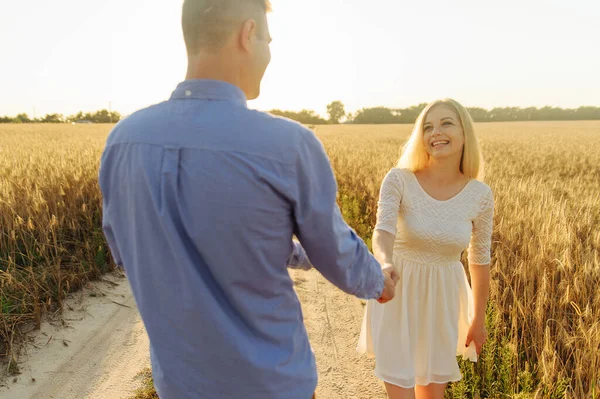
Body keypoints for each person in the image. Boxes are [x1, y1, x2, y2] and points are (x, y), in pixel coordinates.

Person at [98, 1, 398, 398]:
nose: (268, 54)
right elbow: (336, 253)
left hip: (179, 384)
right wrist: (380, 282)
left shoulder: (123, 141)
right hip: (271, 383)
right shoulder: (287, 144)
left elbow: (129, 249)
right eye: (268, 41)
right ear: (247, 33)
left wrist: (286, 251)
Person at [357, 99, 495, 399]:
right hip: (398, 294)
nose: (436, 132)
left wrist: (478, 319)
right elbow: (382, 232)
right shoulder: (400, 180)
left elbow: (479, 260)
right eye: (428, 127)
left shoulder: (480, 195)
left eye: (446, 123)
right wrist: (383, 263)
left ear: (464, 133)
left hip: (444, 299)